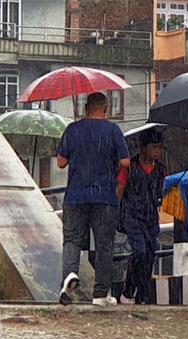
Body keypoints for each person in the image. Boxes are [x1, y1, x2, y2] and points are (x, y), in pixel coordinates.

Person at [57, 92, 131, 306]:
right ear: (105, 109)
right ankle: (100, 294)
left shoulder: (72, 129)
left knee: (72, 240)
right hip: (104, 196)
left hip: (75, 196)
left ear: (86, 107)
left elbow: (61, 162)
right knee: (104, 245)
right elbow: (125, 162)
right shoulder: (113, 130)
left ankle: (70, 275)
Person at [117, 130, 167, 304]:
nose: (157, 152)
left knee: (150, 254)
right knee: (140, 252)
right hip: (132, 216)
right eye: (153, 147)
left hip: (151, 217)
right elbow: (120, 190)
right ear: (143, 148)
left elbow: (163, 191)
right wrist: (114, 214)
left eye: (159, 148)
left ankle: (142, 295)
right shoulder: (130, 167)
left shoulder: (160, 170)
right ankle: (129, 290)